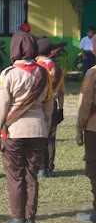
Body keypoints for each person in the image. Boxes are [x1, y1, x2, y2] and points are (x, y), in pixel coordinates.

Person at [0, 32, 53, 223]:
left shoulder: (9, 74)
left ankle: (17, 221)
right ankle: (31, 221)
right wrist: (46, 128)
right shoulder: (44, 74)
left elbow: (1, 108)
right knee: (31, 176)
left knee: (15, 176)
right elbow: (49, 107)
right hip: (38, 130)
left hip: (14, 132)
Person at [36, 39, 65, 178]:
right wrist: (61, 108)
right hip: (52, 104)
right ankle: (49, 167)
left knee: (39, 135)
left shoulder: (36, 68)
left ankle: (40, 167)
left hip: (39, 104)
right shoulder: (58, 69)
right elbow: (61, 92)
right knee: (51, 136)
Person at [75, 60, 96, 223]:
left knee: (93, 168)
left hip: (94, 127)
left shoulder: (93, 73)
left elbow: (85, 104)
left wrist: (79, 128)